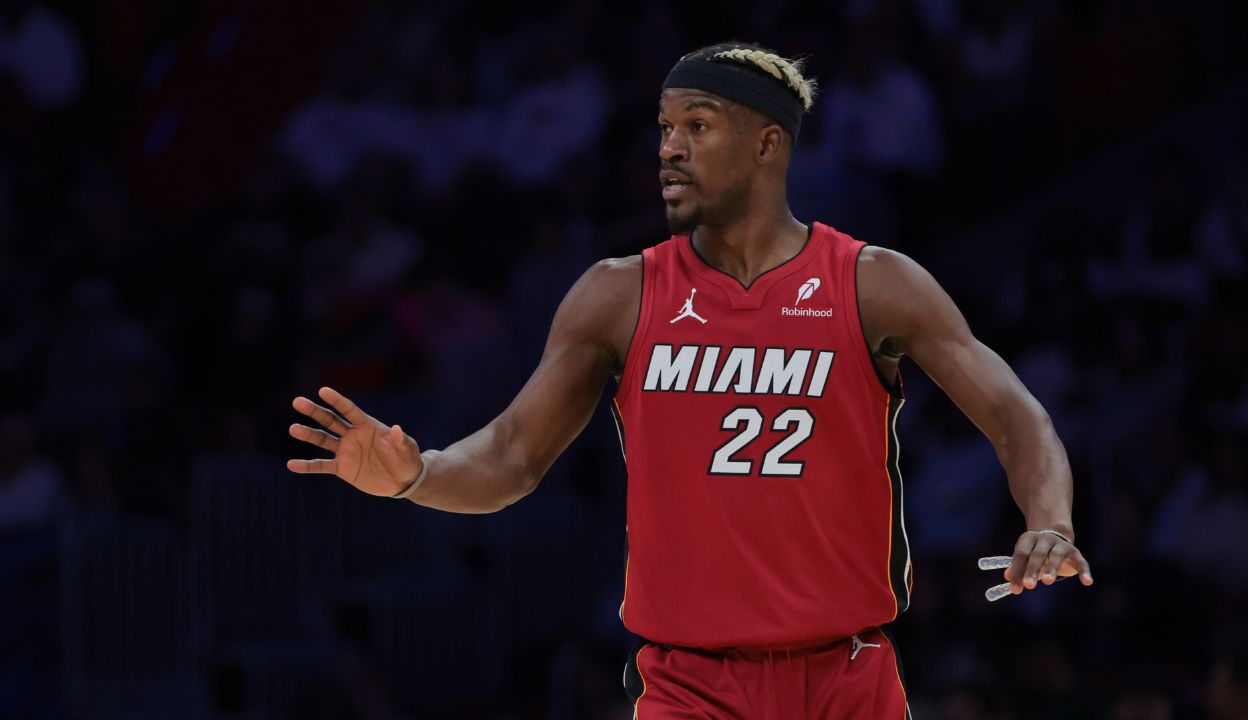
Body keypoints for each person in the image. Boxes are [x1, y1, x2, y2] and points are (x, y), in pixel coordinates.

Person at [287, 41, 1094, 719]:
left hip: (843, 676)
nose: (669, 148)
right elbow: (510, 455)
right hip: (689, 684)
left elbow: (1015, 415)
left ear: (767, 144)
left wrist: (1050, 519)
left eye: (697, 127)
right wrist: (419, 475)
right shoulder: (618, 292)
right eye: (665, 128)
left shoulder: (872, 282)